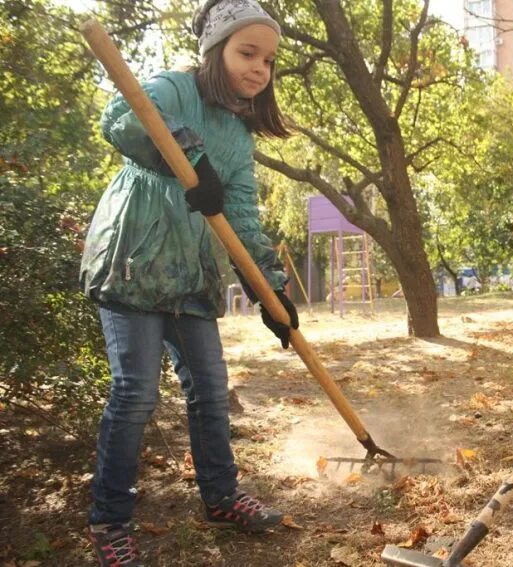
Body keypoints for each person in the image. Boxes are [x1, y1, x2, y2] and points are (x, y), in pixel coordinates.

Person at [79, 1, 299, 564]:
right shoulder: (174, 88)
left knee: (210, 390)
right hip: (134, 259)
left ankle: (222, 498)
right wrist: (188, 156)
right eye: (246, 52)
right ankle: (110, 522)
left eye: (268, 60)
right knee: (135, 393)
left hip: (191, 276)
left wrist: (271, 292)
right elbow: (123, 117)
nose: (258, 68)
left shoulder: (238, 134)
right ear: (214, 50)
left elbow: (243, 217)